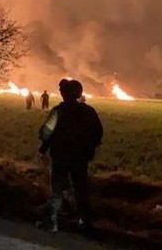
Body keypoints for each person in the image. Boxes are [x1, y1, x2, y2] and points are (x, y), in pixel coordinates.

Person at [37, 79, 103, 233]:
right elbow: (98, 132)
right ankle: (84, 222)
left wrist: (44, 145)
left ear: (64, 94)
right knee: (81, 189)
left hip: (60, 157)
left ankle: (52, 223)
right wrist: (89, 149)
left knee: (58, 189)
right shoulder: (89, 111)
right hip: (80, 158)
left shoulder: (58, 111)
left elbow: (45, 133)